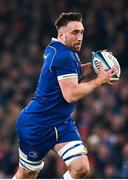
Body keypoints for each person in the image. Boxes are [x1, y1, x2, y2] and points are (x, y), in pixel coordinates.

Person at [13, 12, 118, 179]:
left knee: (80, 167)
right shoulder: (64, 56)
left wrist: (94, 66)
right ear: (61, 34)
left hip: (61, 123)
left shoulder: (58, 48)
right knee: (27, 174)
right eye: (74, 32)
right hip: (37, 125)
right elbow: (71, 94)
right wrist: (99, 81)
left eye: (82, 32)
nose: (80, 37)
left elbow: (70, 74)